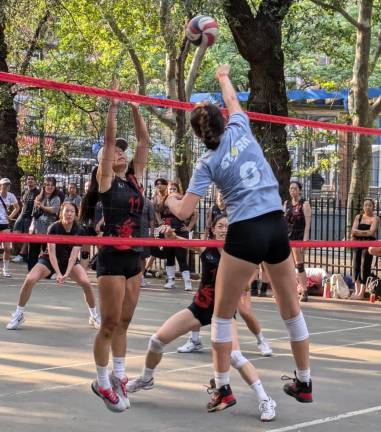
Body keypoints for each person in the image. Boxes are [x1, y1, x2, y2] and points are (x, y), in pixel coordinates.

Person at [165, 64, 312, 412]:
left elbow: (184, 212)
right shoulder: (240, 127)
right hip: (275, 224)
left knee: (220, 315)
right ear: (223, 119)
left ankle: (223, 389)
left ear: (199, 136)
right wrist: (223, 76)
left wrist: (167, 199)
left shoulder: (207, 162)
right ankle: (304, 381)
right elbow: (232, 101)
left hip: (246, 230)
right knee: (290, 309)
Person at [127, 215, 276, 421]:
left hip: (223, 313)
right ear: (213, 230)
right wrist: (171, 235)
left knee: (235, 356)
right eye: (220, 226)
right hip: (200, 307)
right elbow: (179, 242)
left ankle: (266, 400)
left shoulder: (240, 255)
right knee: (156, 340)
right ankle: (146, 378)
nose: (224, 229)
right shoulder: (206, 247)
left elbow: (244, 285)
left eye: (228, 226)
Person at [89, 85, 149, 413]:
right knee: (109, 324)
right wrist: (114, 107)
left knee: (125, 323)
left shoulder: (135, 178)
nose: (120, 153)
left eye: (122, 153)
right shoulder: (105, 181)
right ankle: (101, 381)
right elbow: (111, 141)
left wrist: (137, 106)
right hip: (112, 257)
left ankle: (120, 376)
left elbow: (144, 142)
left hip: (134, 259)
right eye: (115, 153)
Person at [6, 202, 100, 330]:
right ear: (61, 213)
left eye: (72, 211)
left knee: (86, 283)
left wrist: (66, 273)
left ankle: (94, 316)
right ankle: (19, 314)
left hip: (69, 262)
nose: (69, 214)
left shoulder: (79, 230)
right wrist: (58, 273)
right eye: (66, 211)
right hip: (49, 260)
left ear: (75, 214)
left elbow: (73, 256)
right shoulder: (54, 228)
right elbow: (51, 253)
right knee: (29, 279)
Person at [178, 287, 273, 357]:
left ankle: (261, 341)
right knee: (198, 306)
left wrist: (245, 281)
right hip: (212, 280)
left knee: (245, 312)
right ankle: (195, 340)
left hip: (234, 278)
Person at [160, 181, 195, 291]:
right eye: (170, 189)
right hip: (168, 232)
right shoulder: (164, 201)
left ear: (178, 190)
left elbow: (195, 213)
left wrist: (189, 227)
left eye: (174, 189)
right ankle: (171, 281)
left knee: (181, 257)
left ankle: (187, 282)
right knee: (169, 256)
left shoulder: (182, 200)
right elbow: (157, 212)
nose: (171, 191)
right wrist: (161, 223)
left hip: (180, 231)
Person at [284, 181, 312, 302]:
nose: (292, 191)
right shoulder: (287, 203)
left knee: (299, 265)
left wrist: (305, 241)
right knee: (288, 265)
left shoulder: (304, 204)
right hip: (287, 237)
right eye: (290, 189)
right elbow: (283, 221)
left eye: (295, 188)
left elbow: (307, 224)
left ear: (299, 190)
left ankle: (304, 291)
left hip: (298, 236)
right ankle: (292, 290)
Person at [28, 177, 61, 271]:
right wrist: (31, 226)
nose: (49, 187)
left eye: (52, 185)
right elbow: (34, 214)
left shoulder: (56, 198)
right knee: (33, 252)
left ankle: (49, 271)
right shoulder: (39, 197)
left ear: (55, 187)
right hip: (37, 227)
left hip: (49, 228)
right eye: (47, 185)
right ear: (44, 186)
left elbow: (54, 210)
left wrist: (41, 206)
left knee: (48, 252)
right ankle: (31, 271)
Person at [351, 198, 379, 300]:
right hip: (357, 243)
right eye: (365, 205)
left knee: (364, 267)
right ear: (363, 207)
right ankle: (357, 291)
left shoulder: (375, 218)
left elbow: (371, 232)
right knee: (355, 266)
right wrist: (363, 232)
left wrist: (359, 232)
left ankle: (362, 293)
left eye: (369, 205)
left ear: (373, 207)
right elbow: (353, 231)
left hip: (369, 244)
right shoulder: (358, 217)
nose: (367, 207)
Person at [12, 174, 40, 263]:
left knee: (27, 236)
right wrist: (20, 215)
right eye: (28, 179)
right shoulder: (24, 191)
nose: (30, 180)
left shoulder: (38, 192)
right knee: (16, 234)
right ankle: (24, 253)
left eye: (32, 179)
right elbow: (23, 204)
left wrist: (34, 218)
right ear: (26, 181)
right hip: (22, 215)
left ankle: (21, 254)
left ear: (35, 181)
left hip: (31, 217)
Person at [0, 177, 20, 276]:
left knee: (7, 248)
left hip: (5, 224)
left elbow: (17, 207)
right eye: (5, 184)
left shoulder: (11, 196)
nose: (7, 186)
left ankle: (5, 270)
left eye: (8, 184)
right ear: (1, 185)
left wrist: (10, 216)